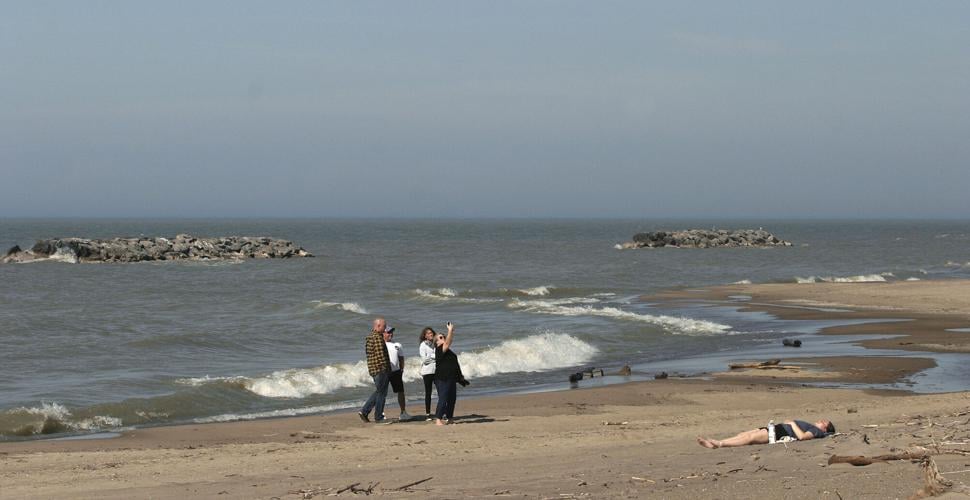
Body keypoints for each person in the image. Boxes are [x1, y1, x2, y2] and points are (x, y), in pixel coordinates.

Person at [697, 418, 835, 449]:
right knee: (743, 434)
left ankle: (720, 444)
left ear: (824, 429)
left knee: (750, 438)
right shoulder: (815, 428)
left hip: (780, 432)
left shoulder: (816, 431)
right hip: (778, 428)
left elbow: (802, 437)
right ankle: (716, 443)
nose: (821, 421)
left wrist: (792, 423)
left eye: (824, 422)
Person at [358, 317, 392, 423]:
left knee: (379, 391)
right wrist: (386, 369)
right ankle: (378, 417)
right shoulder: (377, 337)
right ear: (378, 326)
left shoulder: (370, 337)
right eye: (384, 326)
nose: (385, 328)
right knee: (382, 393)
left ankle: (364, 411)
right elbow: (381, 356)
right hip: (380, 370)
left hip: (374, 369)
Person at [433, 322, 460, 426]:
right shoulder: (439, 349)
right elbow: (448, 342)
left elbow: (449, 342)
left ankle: (450, 418)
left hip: (451, 377)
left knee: (452, 399)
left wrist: (459, 377)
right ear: (437, 342)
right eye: (440, 337)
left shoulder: (448, 351)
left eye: (443, 336)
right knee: (443, 398)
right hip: (442, 378)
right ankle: (438, 419)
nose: (443, 338)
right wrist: (450, 330)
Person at [383, 326, 410, 421]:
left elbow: (401, 358)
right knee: (382, 393)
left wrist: (402, 369)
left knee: (401, 392)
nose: (390, 334)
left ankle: (403, 412)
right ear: (383, 333)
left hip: (396, 372)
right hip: (384, 372)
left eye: (391, 332)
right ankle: (381, 413)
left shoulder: (397, 345)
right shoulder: (381, 344)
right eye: (388, 332)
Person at [418, 327, 437, 421]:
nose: (431, 334)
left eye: (431, 332)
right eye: (428, 333)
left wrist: (433, 357)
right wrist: (434, 357)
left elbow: (440, 356)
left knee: (441, 391)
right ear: (425, 336)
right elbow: (425, 360)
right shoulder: (423, 345)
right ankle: (428, 414)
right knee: (428, 392)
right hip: (427, 372)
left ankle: (441, 412)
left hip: (437, 371)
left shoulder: (436, 344)